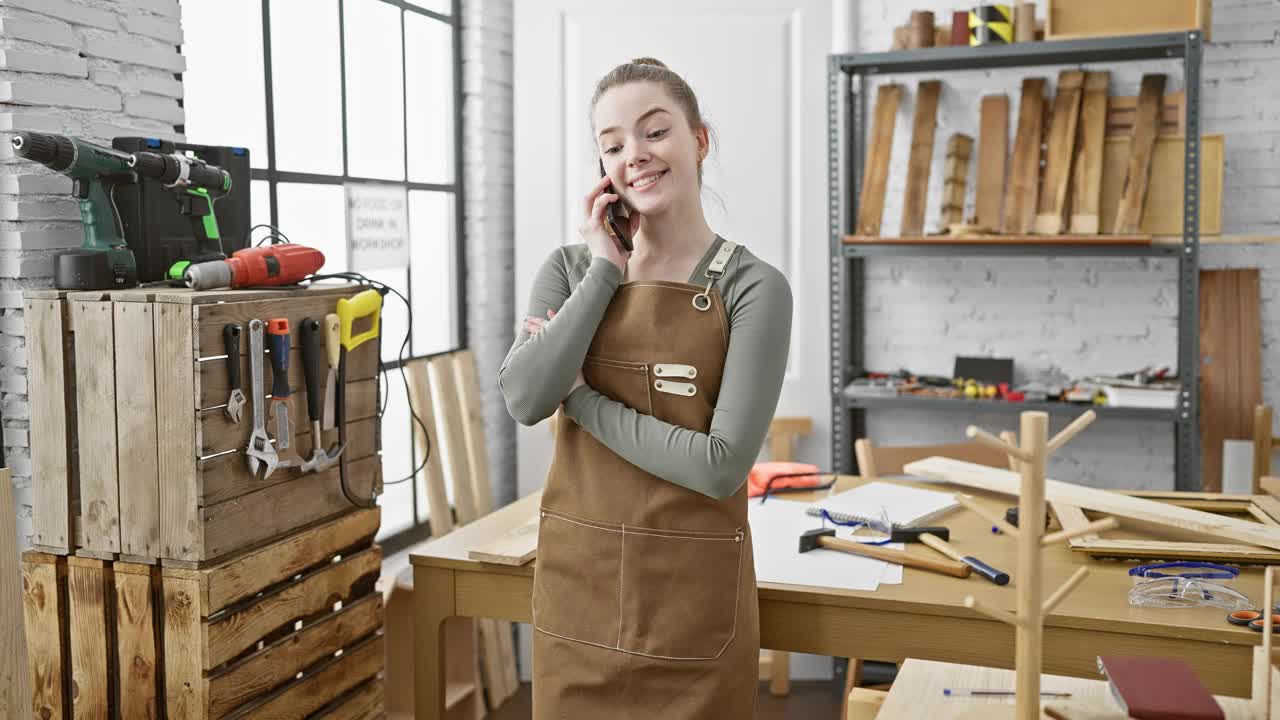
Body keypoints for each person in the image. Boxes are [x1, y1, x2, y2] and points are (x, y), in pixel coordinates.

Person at [499, 56, 793, 718]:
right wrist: (606, 270)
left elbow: (719, 467)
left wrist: (580, 398)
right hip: (581, 595)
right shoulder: (571, 269)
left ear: (699, 140)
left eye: (655, 131)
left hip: (694, 610)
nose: (635, 154)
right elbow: (523, 398)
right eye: (612, 144)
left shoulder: (753, 288)